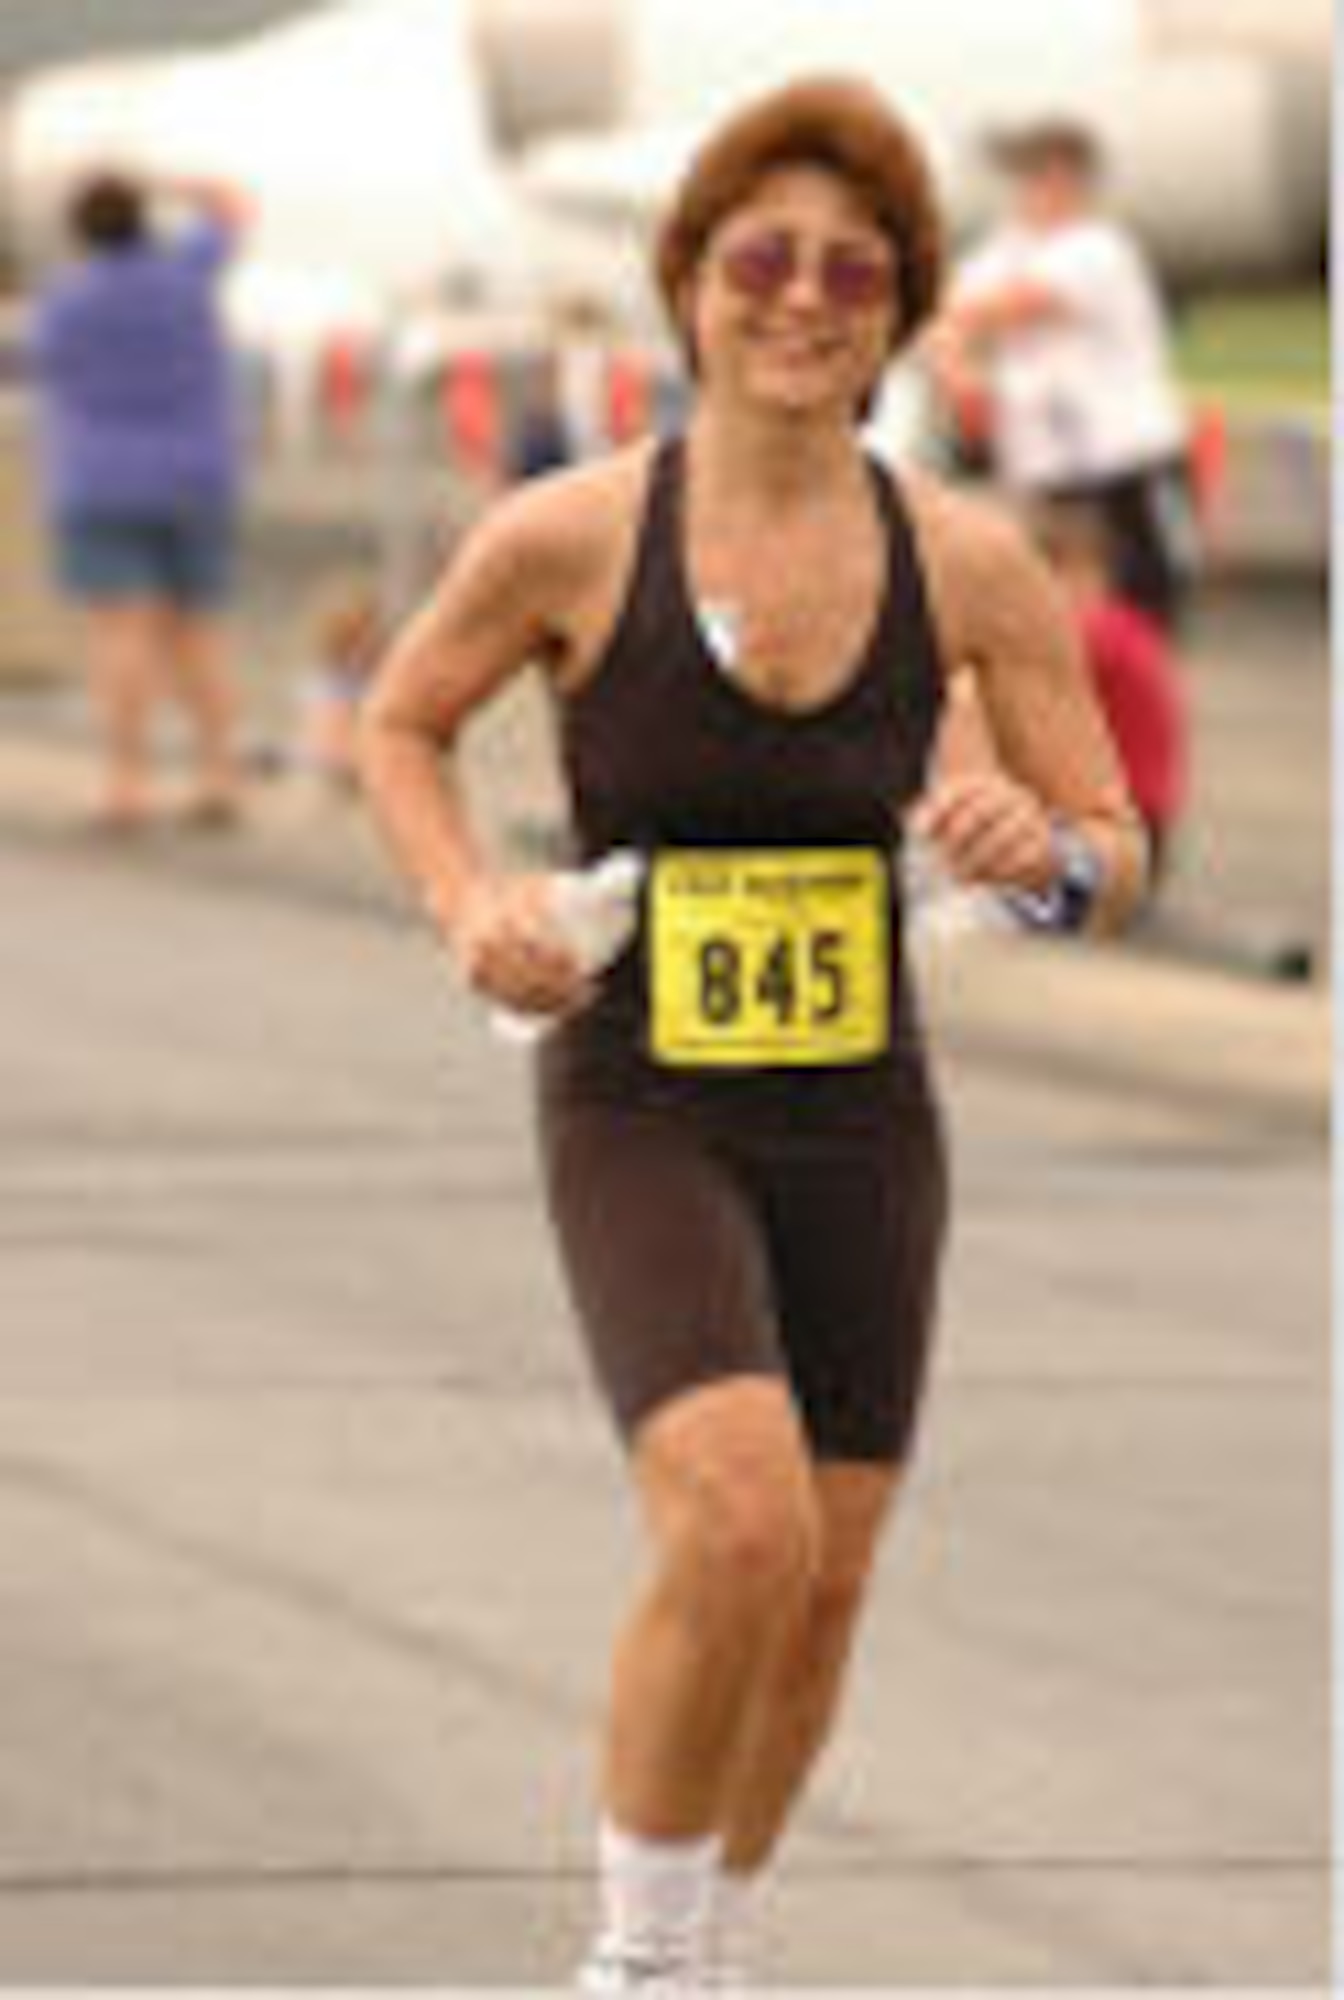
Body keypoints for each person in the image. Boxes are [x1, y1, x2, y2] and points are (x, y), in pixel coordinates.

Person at [358, 76, 1146, 1994]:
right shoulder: (563, 534)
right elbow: (400, 723)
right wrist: (472, 905)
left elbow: (1111, 853)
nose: (802, 299)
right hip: (640, 1097)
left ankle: (708, 1947)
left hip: (858, 1116)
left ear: (895, 314)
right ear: (688, 287)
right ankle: (630, 1965)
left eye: (850, 272)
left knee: (823, 1585)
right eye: (760, 259)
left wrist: (1030, 852)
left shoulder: (963, 564)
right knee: (736, 1526)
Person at [28, 169, 249, 830]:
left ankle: (128, 781)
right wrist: (169, 181)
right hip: (195, 475)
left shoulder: (66, 301)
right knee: (198, 633)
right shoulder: (187, 272)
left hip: (100, 478)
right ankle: (219, 774)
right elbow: (232, 202)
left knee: (121, 634)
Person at [928, 118, 1197, 632]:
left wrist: (952, 338)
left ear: (1071, 180)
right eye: (1024, 176)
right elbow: (944, 327)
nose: (1028, 190)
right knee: (1055, 624)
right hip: (1047, 472)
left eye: (1040, 174)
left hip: (1125, 468)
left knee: (1142, 615)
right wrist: (953, 364)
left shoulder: (1099, 249)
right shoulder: (1003, 250)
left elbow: (998, 308)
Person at [1034, 502, 1189, 897]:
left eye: (1049, 574)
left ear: (1091, 573)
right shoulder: (1126, 624)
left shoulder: (1096, 635)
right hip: (1139, 827)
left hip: (1118, 832)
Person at [289, 573, 385, 798]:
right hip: (335, 757)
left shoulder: (375, 679)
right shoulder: (325, 685)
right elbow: (325, 734)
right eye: (354, 642)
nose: (362, 650)